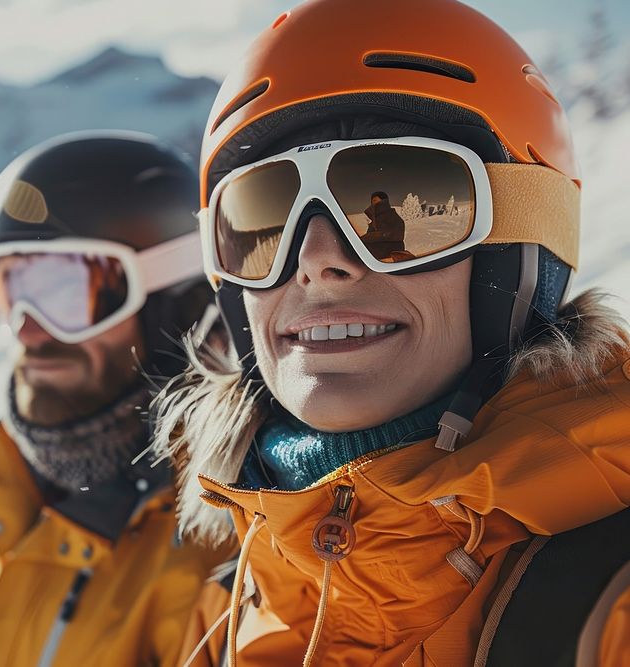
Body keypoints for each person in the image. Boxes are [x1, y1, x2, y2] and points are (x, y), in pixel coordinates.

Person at [151, 1, 630, 665]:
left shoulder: (611, 614)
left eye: (404, 202)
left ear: (520, 246)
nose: (317, 258)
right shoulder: (235, 616)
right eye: (262, 218)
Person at [0, 131, 231, 667]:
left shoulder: (216, 555)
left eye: (65, 290)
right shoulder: (21, 488)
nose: (30, 329)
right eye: (14, 289)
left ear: (176, 308)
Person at [360, 191, 406, 260]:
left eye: (375, 200)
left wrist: (367, 237)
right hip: (374, 259)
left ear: (384, 201)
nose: (373, 203)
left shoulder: (392, 216)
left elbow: (396, 234)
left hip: (389, 258)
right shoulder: (374, 221)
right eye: (372, 201)